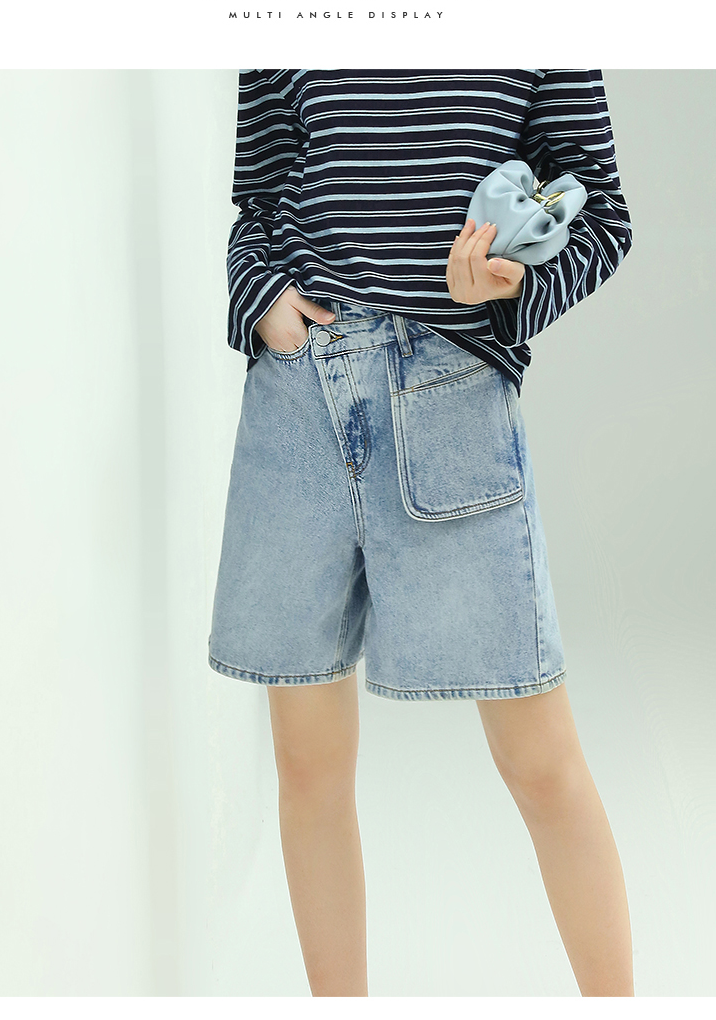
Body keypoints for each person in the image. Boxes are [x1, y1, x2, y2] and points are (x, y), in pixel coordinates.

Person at [208, 70, 634, 997]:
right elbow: (261, 196)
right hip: (298, 396)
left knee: (539, 759)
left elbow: (602, 216)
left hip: (451, 391)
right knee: (307, 763)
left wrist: (508, 290)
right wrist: (263, 297)